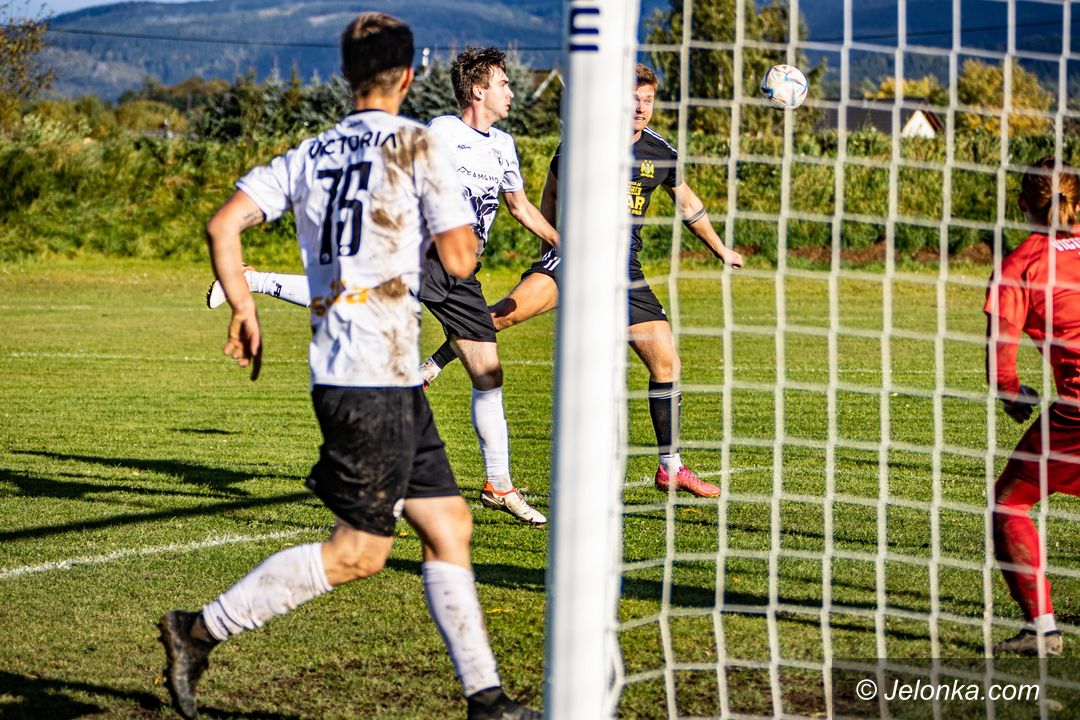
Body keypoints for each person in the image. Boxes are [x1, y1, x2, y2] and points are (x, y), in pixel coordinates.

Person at [158, 14, 539, 720]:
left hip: (364, 375)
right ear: (409, 74)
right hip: (371, 380)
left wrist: (244, 305)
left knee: (449, 525)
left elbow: (222, 224)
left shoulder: (311, 153)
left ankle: (486, 699)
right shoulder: (418, 144)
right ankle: (198, 630)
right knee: (361, 552)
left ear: (346, 73)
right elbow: (460, 259)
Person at [205, 47, 557, 526]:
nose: (511, 92)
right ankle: (255, 282)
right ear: (478, 91)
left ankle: (498, 485)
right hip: (419, 257)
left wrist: (563, 242)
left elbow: (520, 208)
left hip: (461, 274)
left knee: (488, 375)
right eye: (503, 84)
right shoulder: (441, 132)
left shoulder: (504, 146)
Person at [424, 64, 744, 498]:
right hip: (574, 262)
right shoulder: (582, 144)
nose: (640, 107)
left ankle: (670, 467)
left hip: (625, 274)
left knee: (667, 364)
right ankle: (431, 367)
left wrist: (720, 249)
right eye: (633, 99)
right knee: (499, 317)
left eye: (647, 100)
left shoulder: (660, 152)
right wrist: (551, 248)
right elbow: (550, 194)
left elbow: (689, 205)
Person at [986, 156, 1080, 657]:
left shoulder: (1020, 264)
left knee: (1010, 502)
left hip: (1077, 411)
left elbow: (1000, 365)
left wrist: (1012, 391)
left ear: (1022, 203)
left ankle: (1042, 631)